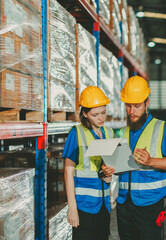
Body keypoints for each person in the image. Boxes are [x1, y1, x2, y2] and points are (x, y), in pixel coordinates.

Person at [116, 76, 166, 240]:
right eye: (128, 106)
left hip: (150, 204)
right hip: (124, 203)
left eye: (137, 106)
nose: (132, 111)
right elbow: (122, 167)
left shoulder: (161, 128)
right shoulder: (123, 132)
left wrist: (151, 161)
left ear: (147, 103)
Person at [63, 86, 115, 240]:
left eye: (103, 113)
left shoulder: (109, 133)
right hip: (84, 206)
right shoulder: (76, 133)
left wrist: (108, 176)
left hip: (104, 205)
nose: (101, 118)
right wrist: (72, 208)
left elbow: (107, 167)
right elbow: (68, 172)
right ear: (85, 114)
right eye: (95, 114)